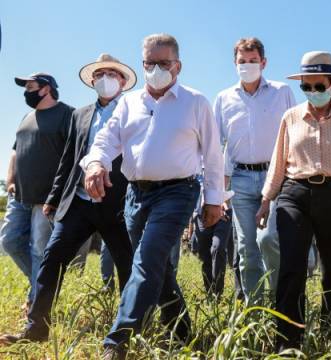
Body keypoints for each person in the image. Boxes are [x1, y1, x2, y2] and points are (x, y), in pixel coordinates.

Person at [79, 34, 224, 359]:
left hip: (178, 192)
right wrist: (95, 164)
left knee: (146, 260)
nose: (155, 69)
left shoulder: (195, 102)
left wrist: (213, 199)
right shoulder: (129, 103)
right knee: (158, 267)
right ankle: (183, 330)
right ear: (142, 64)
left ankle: (117, 342)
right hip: (136, 195)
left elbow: (214, 156)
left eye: (163, 63)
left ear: (178, 66)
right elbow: (105, 140)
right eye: (149, 63)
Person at [0, 54, 137, 345]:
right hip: (78, 202)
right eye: (99, 74)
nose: (104, 79)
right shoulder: (80, 115)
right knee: (51, 260)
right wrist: (53, 197)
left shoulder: (134, 111)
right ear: (92, 81)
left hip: (118, 205)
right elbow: (68, 159)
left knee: (126, 265)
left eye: (111, 73)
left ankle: (127, 332)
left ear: (123, 81)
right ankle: (35, 329)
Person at [257, 51, 331, 349]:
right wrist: (267, 200)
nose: (313, 92)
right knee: (292, 268)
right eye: (307, 87)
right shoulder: (290, 117)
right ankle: (288, 342)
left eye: (319, 86)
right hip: (295, 194)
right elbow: (279, 162)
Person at [214, 38, 296, 302]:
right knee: (246, 249)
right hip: (240, 180)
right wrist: (220, 190)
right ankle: (255, 309)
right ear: (234, 64)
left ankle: (278, 298)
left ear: (263, 62)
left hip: (276, 177)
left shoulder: (282, 92)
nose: (247, 66)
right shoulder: (224, 99)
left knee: (269, 239)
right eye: (242, 61)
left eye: (252, 61)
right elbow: (218, 146)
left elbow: (294, 136)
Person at [0, 73, 73, 308]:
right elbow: (14, 151)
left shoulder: (67, 115)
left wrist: (61, 192)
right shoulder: (27, 117)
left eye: (30, 86)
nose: (26, 91)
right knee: (9, 241)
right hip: (19, 194)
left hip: (47, 197)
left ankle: (37, 303)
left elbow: (73, 154)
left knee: (39, 250)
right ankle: (40, 287)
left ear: (46, 89)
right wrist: (10, 179)